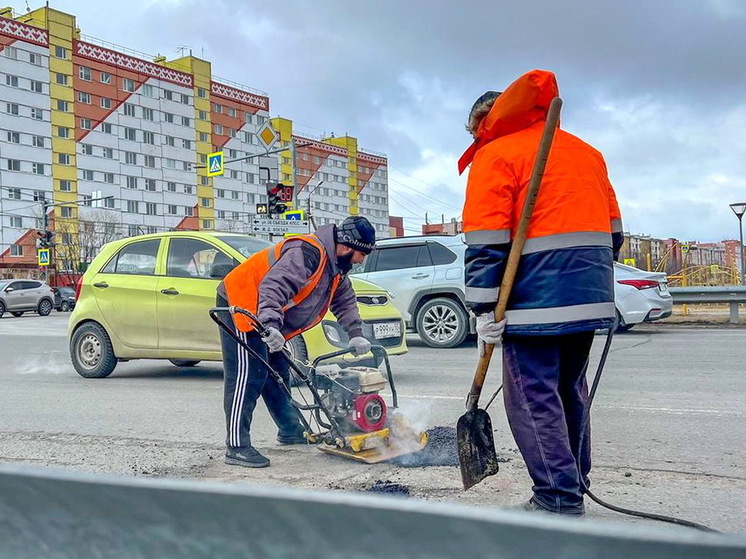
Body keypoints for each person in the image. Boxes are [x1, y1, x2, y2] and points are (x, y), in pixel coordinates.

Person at [458, 69, 623, 515]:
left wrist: (484, 308)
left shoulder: (496, 155)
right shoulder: (587, 153)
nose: (474, 139)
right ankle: (575, 481)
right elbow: (615, 233)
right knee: (570, 389)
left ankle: (557, 498)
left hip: (532, 302)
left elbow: (486, 241)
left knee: (534, 397)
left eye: (473, 131)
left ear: (484, 123)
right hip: (590, 295)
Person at [216, 216, 376, 468]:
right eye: (361, 254)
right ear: (346, 247)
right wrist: (269, 325)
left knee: (278, 371)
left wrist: (356, 333)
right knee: (248, 376)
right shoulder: (307, 252)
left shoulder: (336, 267)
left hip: (267, 312)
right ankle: (236, 446)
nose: (361, 260)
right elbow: (273, 287)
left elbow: (344, 301)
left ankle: (291, 430)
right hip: (243, 303)